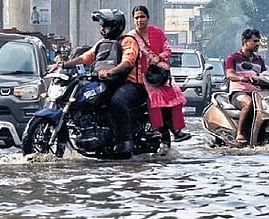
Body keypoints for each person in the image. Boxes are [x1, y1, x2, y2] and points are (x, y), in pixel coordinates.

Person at [50, 8, 145, 154]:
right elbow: (85, 58)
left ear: (115, 25)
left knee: (117, 101)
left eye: (105, 26)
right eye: (102, 26)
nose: (102, 29)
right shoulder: (103, 43)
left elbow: (128, 61)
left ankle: (125, 141)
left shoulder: (128, 41)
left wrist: (110, 71)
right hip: (109, 82)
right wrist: (63, 65)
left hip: (130, 84)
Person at [128, 5, 191, 143]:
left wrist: (158, 58)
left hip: (161, 74)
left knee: (177, 96)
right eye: (136, 18)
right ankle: (156, 129)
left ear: (148, 18)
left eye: (142, 17)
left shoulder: (157, 32)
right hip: (143, 75)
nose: (139, 20)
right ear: (133, 20)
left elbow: (168, 49)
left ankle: (177, 130)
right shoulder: (131, 37)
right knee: (154, 98)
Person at [225, 28, 266, 145]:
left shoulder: (259, 60)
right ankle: (239, 133)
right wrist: (241, 78)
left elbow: (265, 74)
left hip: (256, 93)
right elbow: (229, 74)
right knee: (248, 103)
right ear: (245, 41)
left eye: (258, 41)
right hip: (238, 93)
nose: (257, 44)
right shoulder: (233, 58)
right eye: (254, 41)